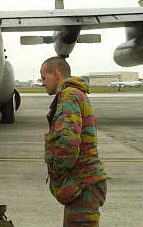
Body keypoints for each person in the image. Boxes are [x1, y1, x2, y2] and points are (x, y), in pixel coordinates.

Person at [40, 57, 108, 227]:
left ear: (56, 74)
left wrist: (57, 174)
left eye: (43, 78)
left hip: (83, 184)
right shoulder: (75, 94)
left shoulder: (69, 95)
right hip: (84, 183)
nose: (42, 83)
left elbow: (68, 140)